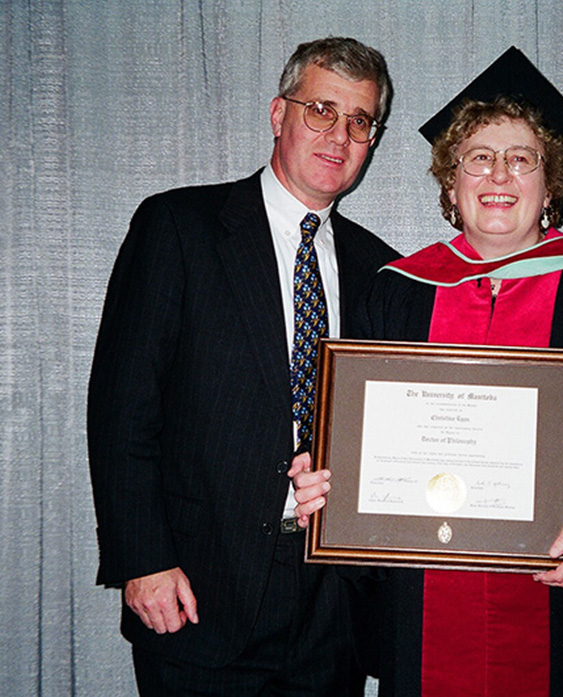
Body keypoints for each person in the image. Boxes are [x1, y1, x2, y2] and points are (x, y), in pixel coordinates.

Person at [291, 47, 563, 695]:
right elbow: (358, 450)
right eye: (477, 157)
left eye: (521, 157)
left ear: (549, 182)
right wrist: (325, 481)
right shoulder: (397, 292)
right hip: (427, 616)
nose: (499, 173)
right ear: (451, 183)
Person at [87, 37, 399, 695]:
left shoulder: (383, 271)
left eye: (360, 119)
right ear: (278, 113)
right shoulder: (179, 227)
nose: (339, 134)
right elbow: (123, 407)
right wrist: (144, 560)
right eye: (321, 109)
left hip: (331, 607)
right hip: (199, 590)